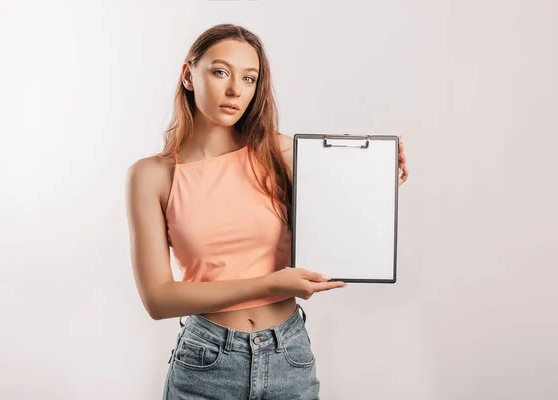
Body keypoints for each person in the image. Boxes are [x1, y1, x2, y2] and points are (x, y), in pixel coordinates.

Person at [125, 23, 409, 400]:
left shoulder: (282, 153)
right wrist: (271, 285)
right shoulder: (152, 175)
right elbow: (158, 300)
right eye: (220, 71)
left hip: (288, 357)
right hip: (204, 364)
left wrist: (377, 172)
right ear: (188, 74)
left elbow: (346, 203)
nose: (234, 90)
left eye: (249, 78)